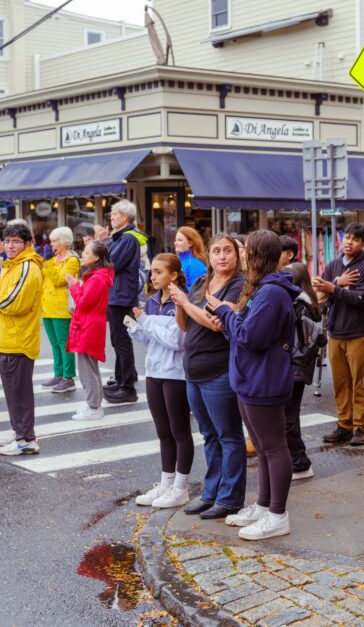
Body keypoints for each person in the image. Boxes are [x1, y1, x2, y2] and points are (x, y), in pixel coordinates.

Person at [211, 230, 298, 540]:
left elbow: (251, 337)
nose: (244, 257)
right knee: (261, 447)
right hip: (251, 377)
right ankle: (265, 505)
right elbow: (244, 332)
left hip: (264, 379)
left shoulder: (272, 292)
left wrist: (225, 311)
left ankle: (277, 514)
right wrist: (230, 319)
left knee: (273, 447)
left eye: (247, 251)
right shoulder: (262, 288)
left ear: (258, 255)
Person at [170, 233, 247, 520]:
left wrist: (186, 303)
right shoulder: (203, 282)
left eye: (228, 251)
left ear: (236, 256)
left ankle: (230, 498)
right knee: (208, 435)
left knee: (228, 435)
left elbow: (216, 324)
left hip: (219, 370)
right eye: (217, 251)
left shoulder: (238, 285)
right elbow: (186, 324)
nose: (222, 256)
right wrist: (180, 305)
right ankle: (211, 493)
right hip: (194, 369)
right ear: (209, 256)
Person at [0, 222, 44, 456]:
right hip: (9, 336)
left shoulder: (27, 267)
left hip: (18, 338)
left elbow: (13, 302)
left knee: (19, 392)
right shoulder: (12, 265)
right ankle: (21, 434)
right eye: (8, 241)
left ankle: (26, 438)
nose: (10, 246)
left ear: (27, 244)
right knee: (15, 392)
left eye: (15, 241)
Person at [130, 254, 192, 509]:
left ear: (173, 275)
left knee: (179, 431)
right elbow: (152, 340)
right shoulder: (153, 301)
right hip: (154, 371)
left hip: (175, 374)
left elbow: (176, 342)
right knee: (162, 432)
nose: (152, 277)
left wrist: (145, 322)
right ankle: (166, 483)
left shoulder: (180, 300)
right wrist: (136, 329)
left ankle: (181, 486)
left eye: (158, 272)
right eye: (152, 272)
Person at [315, 222, 364, 446]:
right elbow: (321, 294)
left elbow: (361, 299)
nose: (349, 242)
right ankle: (344, 424)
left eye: (355, 239)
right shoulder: (333, 265)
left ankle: (361, 427)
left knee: (359, 382)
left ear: (362, 243)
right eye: (347, 237)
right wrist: (336, 284)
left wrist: (335, 289)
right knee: (340, 383)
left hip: (358, 333)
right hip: (335, 333)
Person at [66, 240, 114, 420]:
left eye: (86, 253)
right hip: (90, 323)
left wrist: (74, 286)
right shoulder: (98, 275)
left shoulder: (97, 278)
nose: (83, 255)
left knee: (87, 368)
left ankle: (94, 406)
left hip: (89, 324)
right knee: (88, 367)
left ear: (95, 257)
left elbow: (84, 303)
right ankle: (93, 403)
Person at [102, 200, 142, 402]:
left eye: (115, 214)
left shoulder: (127, 238)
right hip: (117, 295)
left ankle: (127, 387)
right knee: (117, 341)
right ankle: (122, 379)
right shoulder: (121, 237)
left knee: (122, 341)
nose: (111, 216)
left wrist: (101, 250)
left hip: (122, 297)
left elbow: (111, 264)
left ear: (125, 217)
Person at [284, 262, 320, 481]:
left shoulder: (298, 304)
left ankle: (300, 462)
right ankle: (296, 460)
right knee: (290, 416)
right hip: (299, 364)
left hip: (294, 364)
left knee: (288, 417)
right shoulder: (307, 300)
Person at [41, 226, 81, 395]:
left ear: (65, 242)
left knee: (65, 344)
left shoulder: (71, 260)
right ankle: (58, 374)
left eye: (55, 241)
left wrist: (48, 262)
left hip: (62, 307)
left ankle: (69, 377)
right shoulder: (55, 258)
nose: (52, 244)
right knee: (55, 343)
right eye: (51, 241)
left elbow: (59, 280)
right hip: (48, 306)